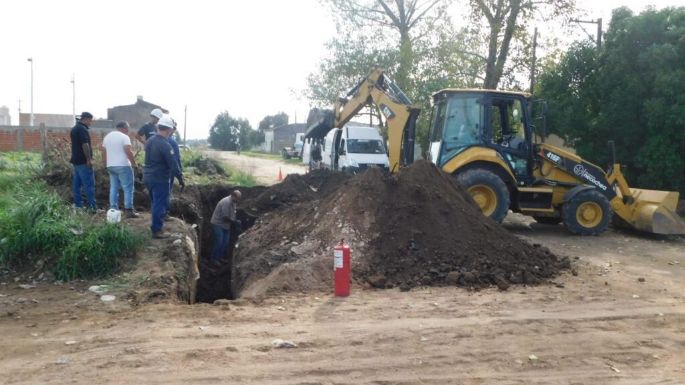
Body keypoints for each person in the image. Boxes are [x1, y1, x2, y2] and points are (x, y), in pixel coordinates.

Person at [143, 116, 185, 238]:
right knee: (160, 204)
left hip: (148, 176)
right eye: (171, 130)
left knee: (155, 202)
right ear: (169, 130)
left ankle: (156, 225)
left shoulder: (150, 140)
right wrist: (181, 178)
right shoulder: (165, 145)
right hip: (159, 178)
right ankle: (157, 230)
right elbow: (173, 164)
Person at [101, 121, 139, 218]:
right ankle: (129, 210)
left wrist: (105, 164)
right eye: (127, 128)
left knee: (114, 187)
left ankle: (113, 209)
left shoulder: (107, 137)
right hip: (123, 165)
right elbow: (128, 151)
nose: (128, 130)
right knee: (128, 188)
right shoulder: (124, 137)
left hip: (111, 166)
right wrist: (134, 164)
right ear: (123, 128)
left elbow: (103, 152)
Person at [70, 112, 96, 211]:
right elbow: (85, 144)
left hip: (76, 161)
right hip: (83, 162)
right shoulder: (82, 129)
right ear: (85, 119)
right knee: (89, 185)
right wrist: (88, 159)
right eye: (90, 120)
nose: (90, 123)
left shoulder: (75, 128)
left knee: (77, 185)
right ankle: (92, 208)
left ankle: (78, 206)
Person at [210, 190, 242, 262]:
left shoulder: (234, 202)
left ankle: (219, 258)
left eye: (239, 199)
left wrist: (236, 221)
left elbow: (233, 213)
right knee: (219, 243)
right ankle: (214, 260)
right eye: (237, 199)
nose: (238, 201)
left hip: (226, 225)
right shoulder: (226, 202)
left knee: (225, 243)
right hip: (218, 224)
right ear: (233, 196)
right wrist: (235, 223)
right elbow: (225, 217)